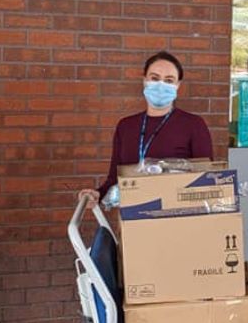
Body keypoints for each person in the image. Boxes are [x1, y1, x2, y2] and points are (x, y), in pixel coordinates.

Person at [78, 51, 213, 207]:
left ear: (178, 85)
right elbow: (115, 179)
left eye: (169, 80)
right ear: (144, 80)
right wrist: (97, 194)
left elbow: (206, 179)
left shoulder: (193, 125)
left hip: (178, 216)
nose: (161, 85)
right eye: (154, 78)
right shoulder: (126, 126)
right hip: (133, 217)